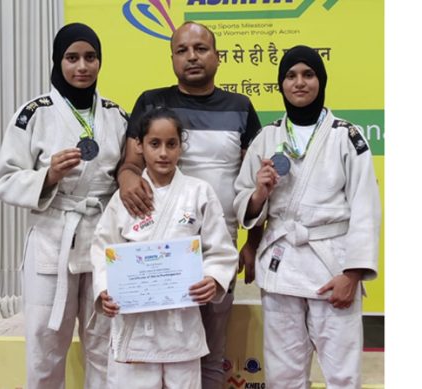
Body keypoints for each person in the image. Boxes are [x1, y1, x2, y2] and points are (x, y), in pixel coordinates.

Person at [116, 21, 262, 388]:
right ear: (172, 58)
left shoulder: (240, 107)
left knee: (211, 354)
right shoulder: (152, 101)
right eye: (182, 50)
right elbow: (131, 163)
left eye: (200, 48)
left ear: (217, 56)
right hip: (158, 251)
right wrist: (127, 177)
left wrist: (253, 242)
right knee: (155, 357)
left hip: (216, 249)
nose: (191, 57)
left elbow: (254, 182)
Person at [232, 45, 381, 389]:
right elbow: (243, 200)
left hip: (332, 266)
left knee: (342, 372)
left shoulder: (347, 136)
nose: (299, 83)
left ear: (321, 80)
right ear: (281, 85)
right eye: (290, 76)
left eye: (308, 74)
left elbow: (365, 209)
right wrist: (259, 193)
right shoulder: (266, 137)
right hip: (282, 266)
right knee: (283, 373)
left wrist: (353, 273)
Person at [0, 23, 129, 389]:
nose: (81, 66)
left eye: (90, 57)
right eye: (72, 58)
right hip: (53, 234)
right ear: (58, 61)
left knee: (105, 340)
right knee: (44, 341)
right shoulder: (33, 114)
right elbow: (4, 180)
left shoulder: (116, 116)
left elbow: (128, 175)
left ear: (100, 62)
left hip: (102, 234)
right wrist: (47, 176)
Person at [91, 107, 239, 389]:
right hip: (135, 325)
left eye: (171, 144)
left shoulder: (198, 192)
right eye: (154, 144)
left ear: (181, 146)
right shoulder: (126, 196)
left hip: (180, 326)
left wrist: (213, 278)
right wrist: (105, 289)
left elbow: (219, 248)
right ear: (139, 146)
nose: (163, 153)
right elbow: (103, 247)